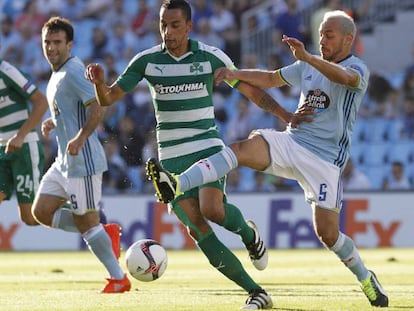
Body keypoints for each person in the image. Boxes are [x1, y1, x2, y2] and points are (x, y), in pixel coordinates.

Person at [146, 10, 389, 308]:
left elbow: (346, 79)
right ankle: (178, 183)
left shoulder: (356, 68)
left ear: (348, 39)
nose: (322, 40)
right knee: (239, 149)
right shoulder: (308, 65)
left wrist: (310, 58)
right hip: (293, 141)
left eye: (329, 35)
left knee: (327, 234)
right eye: (321, 34)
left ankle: (365, 277)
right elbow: (272, 78)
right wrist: (236, 74)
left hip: (325, 162)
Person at [85, 0, 310, 308]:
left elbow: (250, 91)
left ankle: (248, 234)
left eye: (175, 25)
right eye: (163, 24)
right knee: (197, 227)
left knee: (214, 210)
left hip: (207, 147)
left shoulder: (210, 57)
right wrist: (99, 83)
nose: (168, 31)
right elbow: (109, 96)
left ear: (189, 26)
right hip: (172, 158)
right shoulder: (146, 61)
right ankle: (256, 292)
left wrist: (284, 114)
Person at [31, 16, 130, 293]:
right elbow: (71, 108)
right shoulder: (57, 74)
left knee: (87, 224)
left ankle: (119, 278)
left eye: (57, 42)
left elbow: (99, 105)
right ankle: (102, 230)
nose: (51, 47)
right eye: (47, 42)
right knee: (41, 211)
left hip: (83, 160)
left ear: (70, 44)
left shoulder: (74, 70)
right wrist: (55, 120)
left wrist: (81, 136)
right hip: (64, 161)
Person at [0, 52, 49, 226]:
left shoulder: (6, 70)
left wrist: (20, 135)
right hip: (3, 149)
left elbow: (41, 102)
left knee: (31, 216)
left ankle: (87, 217)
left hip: (24, 147)